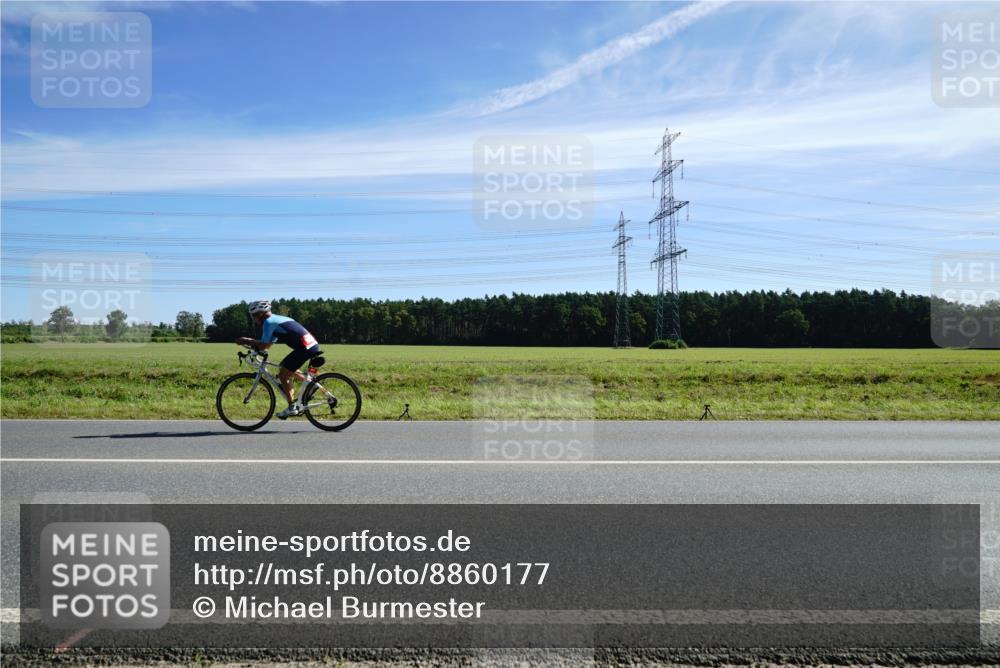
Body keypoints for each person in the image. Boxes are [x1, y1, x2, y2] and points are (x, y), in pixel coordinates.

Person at [236, 300, 320, 419]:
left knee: (283, 375)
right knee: (283, 368)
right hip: (309, 345)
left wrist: (246, 340)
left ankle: (292, 407)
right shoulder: (276, 319)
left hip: (305, 347)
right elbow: (268, 345)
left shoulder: (268, 322)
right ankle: (311, 385)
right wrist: (255, 347)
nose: (253, 319)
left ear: (260, 314)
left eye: (253, 316)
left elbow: (264, 345)